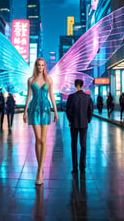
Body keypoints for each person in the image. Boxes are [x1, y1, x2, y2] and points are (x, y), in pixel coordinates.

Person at [23, 57, 59, 186]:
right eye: (38, 65)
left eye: (42, 65)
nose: (40, 67)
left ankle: (40, 170)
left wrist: (55, 111)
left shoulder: (48, 80)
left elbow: (52, 96)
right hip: (34, 109)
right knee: (38, 138)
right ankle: (40, 167)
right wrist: (25, 111)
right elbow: (28, 96)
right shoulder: (30, 80)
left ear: (45, 67)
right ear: (35, 66)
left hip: (45, 110)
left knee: (43, 140)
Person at [66, 79, 94, 174]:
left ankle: (75, 168)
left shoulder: (71, 97)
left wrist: (70, 120)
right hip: (83, 124)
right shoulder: (87, 97)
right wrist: (88, 120)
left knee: (74, 145)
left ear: (75, 85)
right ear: (82, 86)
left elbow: (68, 110)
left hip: (74, 124)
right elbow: (90, 109)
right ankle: (82, 167)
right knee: (83, 145)